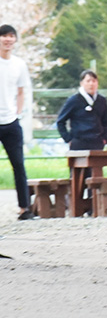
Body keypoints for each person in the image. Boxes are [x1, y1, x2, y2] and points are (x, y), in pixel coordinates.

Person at [0, 24, 34, 220]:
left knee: (19, 165)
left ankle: (24, 208)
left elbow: (22, 91)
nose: (8, 39)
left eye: (11, 36)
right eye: (4, 35)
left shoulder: (19, 64)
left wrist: (18, 112)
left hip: (11, 122)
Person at [56, 70, 107, 151]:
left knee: (97, 163)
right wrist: (68, 139)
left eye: (94, 81)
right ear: (82, 83)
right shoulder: (74, 100)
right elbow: (60, 121)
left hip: (97, 142)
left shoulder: (101, 100)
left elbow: (106, 121)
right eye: (88, 81)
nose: (91, 84)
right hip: (79, 142)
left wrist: (105, 138)